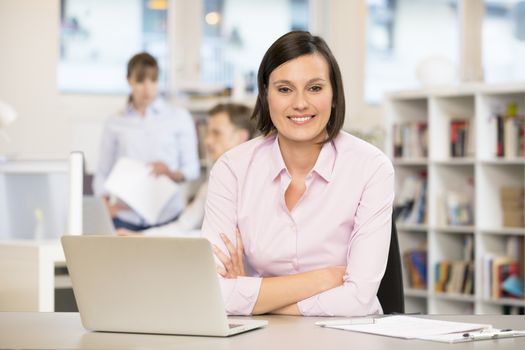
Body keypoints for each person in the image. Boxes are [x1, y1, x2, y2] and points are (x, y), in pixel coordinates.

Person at [202, 31, 394, 317]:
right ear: (266, 95)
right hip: (261, 337)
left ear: (334, 95)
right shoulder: (232, 169)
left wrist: (256, 296)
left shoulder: (370, 167)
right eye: (284, 89)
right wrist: (324, 279)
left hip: (348, 337)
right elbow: (211, 291)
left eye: (315, 88)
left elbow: (358, 299)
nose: (300, 103)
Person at [93, 52, 200, 231]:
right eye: (140, 81)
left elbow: (192, 169)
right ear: (129, 81)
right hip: (124, 219)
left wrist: (171, 173)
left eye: (153, 81)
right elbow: (102, 172)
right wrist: (104, 205)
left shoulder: (178, 118)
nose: (147, 89)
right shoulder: (114, 122)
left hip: (168, 218)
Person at [116, 103, 257, 236]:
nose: (207, 140)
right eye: (208, 133)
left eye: (216, 133)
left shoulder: (257, 183)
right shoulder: (214, 182)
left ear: (241, 137)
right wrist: (140, 236)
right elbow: (183, 226)